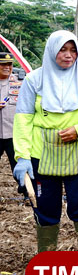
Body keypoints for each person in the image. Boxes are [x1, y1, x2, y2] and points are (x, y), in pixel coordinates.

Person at [12, 31, 78, 252]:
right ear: (51, 51)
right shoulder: (33, 80)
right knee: (45, 208)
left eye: (73, 50)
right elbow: (23, 119)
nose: (68, 55)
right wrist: (23, 156)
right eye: (62, 50)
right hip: (41, 152)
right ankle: (48, 259)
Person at [0, 52, 28, 202]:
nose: (7, 67)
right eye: (3, 64)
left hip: (14, 134)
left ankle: (26, 194)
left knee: (19, 165)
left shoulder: (20, 83)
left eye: (9, 65)